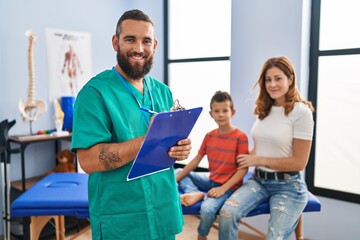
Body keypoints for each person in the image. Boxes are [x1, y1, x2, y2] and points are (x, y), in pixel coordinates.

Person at [71, 9, 192, 240]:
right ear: (116, 42)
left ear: (154, 45)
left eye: (146, 41)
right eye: (130, 39)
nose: (138, 48)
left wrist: (181, 148)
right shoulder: (95, 93)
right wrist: (148, 140)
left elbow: (167, 149)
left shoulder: (163, 92)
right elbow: (87, 160)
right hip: (121, 218)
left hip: (162, 209)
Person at [218, 56, 315, 240]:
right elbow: (263, 147)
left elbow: (299, 162)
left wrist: (257, 160)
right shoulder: (265, 108)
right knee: (226, 214)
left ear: (290, 79)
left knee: (275, 236)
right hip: (259, 181)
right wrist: (241, 157)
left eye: (278, 78)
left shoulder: (301, 112)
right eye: (268, 79)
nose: (272, 84)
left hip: (288, 186)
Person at [175, 91, 249, 240]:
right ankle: (196, 193)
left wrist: (223, 189)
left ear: (232, 112)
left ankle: (201, 236)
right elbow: (195, 161)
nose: (221, 114)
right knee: (178, 171)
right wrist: (175, 180)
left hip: (229, 186)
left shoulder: (240, 137)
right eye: (217, 111)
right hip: (211, 179)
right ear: (211, 114)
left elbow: (243, 170)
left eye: (225, 110)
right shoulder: (209, 136)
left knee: (207, 209)